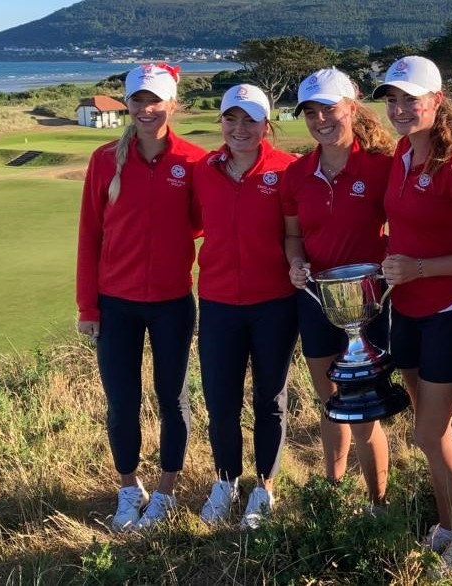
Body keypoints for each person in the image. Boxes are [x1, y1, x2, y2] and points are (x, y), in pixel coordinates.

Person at [372, 55, 452, 575]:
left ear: (436, 100)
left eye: (410, 99)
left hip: (450, 308)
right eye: (392, 98)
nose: (399, 108)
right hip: (409, 308)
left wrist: (420, 267)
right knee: (427, 429)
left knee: (430, 431)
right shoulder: (401, 152)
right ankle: (446, 523)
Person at [76, 63, 205, 531]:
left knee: (173, 398)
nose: (146, 109)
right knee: (122, 400)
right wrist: (87, 307)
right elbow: (90, 235)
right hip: (116, 303)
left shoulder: (192, 160)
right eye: (138, 101)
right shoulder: (104, 159)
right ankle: (129, 488)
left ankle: (167, 491)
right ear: (127, 105)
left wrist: (166, 242)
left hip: (172, 300)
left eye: (156, 101)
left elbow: (202, 222)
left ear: (172, 104)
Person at [282, 68, 396, 507]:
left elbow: (404, 225)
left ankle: (377, 502)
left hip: (368, 301)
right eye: (310, 111)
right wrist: (296, 262)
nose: (320, 119)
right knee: (329, 401)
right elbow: (294, 235)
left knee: (364, 409)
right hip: (316, 299)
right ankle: (333, 492)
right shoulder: (297, 174)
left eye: (329, 108)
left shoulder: (381, 167)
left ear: (352, 106)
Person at [192, 84, 298, 530]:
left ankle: (265, 487)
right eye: (231, 119)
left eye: (250, 120)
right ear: (221, 122)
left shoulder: (287, 170)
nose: (240, 128)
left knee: (270, 399)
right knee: (220, 400)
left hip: (274, 302)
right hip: (217, 301)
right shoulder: (202, 170)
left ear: (266, 125)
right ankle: (226, 481)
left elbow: (299, 232)